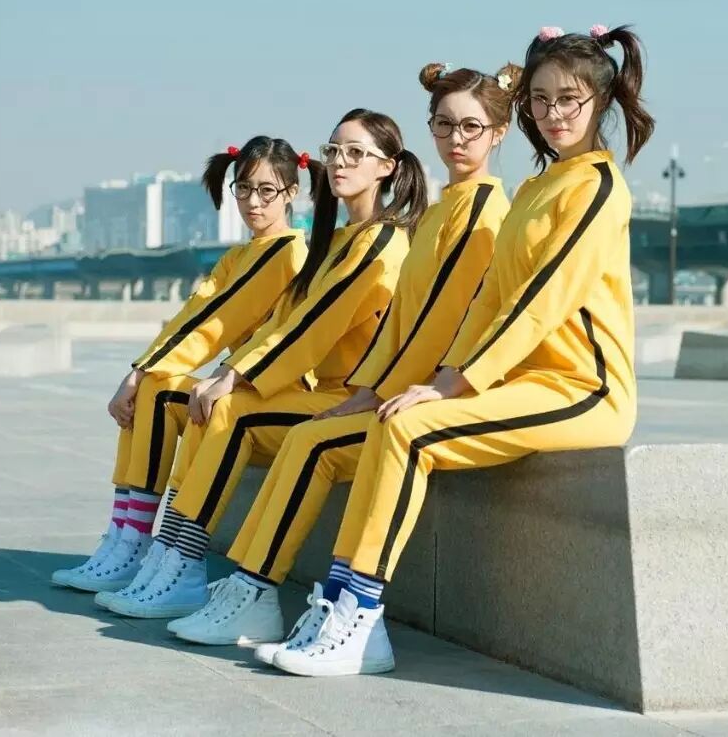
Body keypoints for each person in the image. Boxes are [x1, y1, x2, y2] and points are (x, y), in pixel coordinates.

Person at [274, 24, 654, 677]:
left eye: (569, 99)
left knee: (410, 430)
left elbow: (542, 299)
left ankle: (359, 618)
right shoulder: (536, 188)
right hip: (522, 384)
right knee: (395, 418)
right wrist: (450, 376)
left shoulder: (597, 186)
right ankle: (340, 604)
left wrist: (455, 384)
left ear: (601, 100)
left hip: (583, 389)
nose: (554, 114)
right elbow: (490, 300)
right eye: (540, 99)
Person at [180, 62, 517, 655]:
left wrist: (388, 391)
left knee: (310, 441)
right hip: (391, 387)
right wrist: (369, 389)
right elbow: (405, 320)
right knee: (295, 433)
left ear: (499, 133)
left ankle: (265, 590)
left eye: (470, 126)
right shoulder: (444, 208)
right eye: (443, 125)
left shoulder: (479, 209)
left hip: (434, 391)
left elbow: (441, 322)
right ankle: (235, 581)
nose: (455, 139)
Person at [102, 108, 426, 625]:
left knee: (231, 409)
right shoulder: (338, 240)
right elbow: (286, 321)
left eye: (355, 153)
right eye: (334, 151)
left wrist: (234, 375)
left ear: (387, 167)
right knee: (206, 399)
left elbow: (315, 324)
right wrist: (220, 373)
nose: (340, 162)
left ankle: (187, 564)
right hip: (325, 393)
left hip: (353, 399)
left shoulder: (383, 242)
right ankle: (166, 555)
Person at [50, 136, 308, 593]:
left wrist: (139, 373)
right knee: (155, 384)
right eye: (244, 188)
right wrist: (141, 369)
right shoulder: (240, 254)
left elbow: (216, 322)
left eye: (267, 190)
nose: (253, 202)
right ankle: (124, 535)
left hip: (279, 391)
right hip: (245, 385)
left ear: (291, 192)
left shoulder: (286, 252)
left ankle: (136, 543)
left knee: (159, 388)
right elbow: (193, 314)